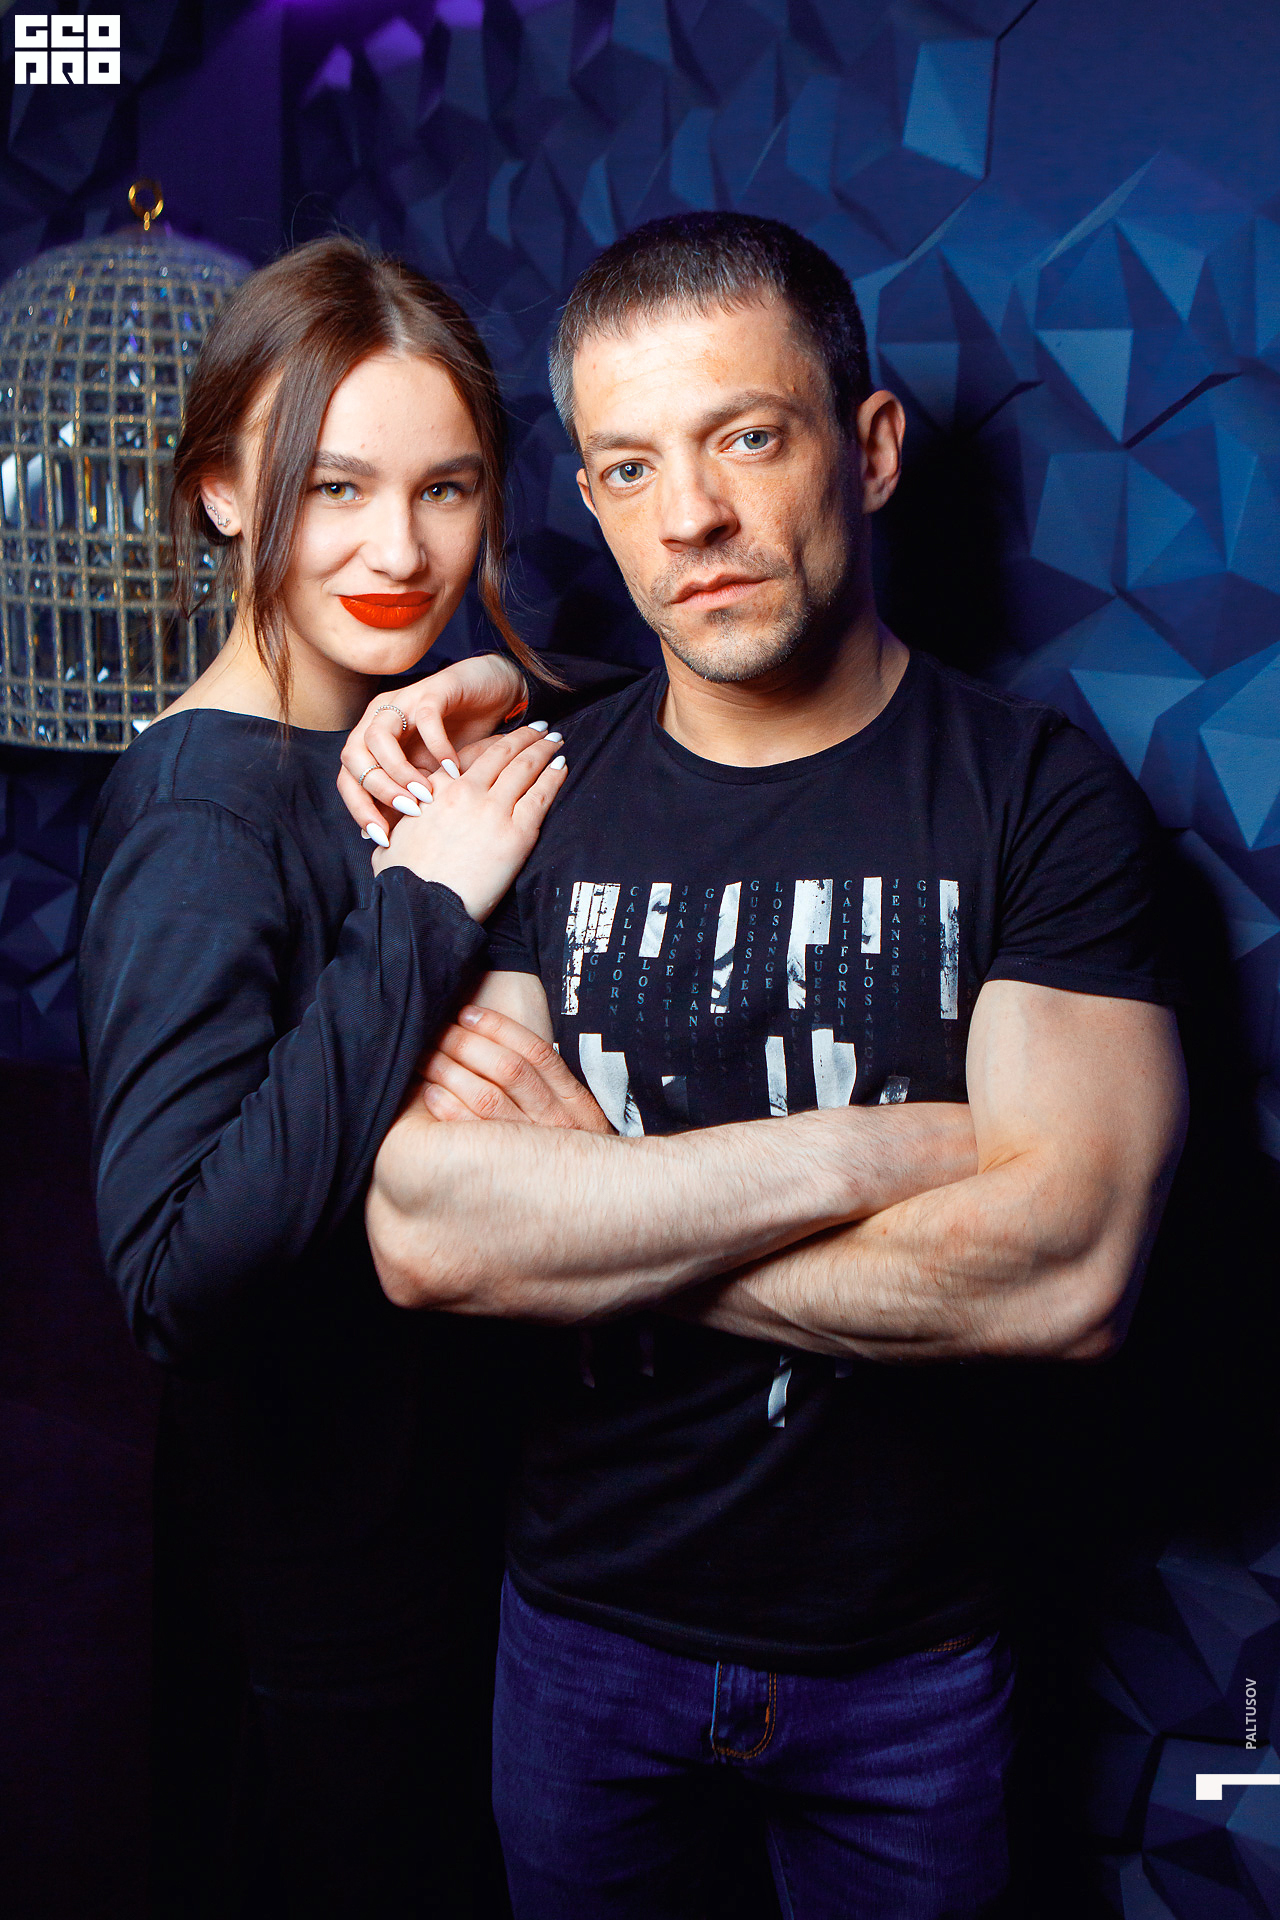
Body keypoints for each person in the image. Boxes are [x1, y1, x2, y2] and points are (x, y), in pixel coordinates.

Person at [353, 213, 1188, 1920]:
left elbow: (1068, 1270)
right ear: (593, 499)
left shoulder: (1041, 799)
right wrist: (881, 1152)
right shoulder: (528, 795)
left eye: (745, 437)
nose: (690, 519)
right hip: (582, 1642)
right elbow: (433, 1236)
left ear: (868, 451)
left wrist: (596, 1218)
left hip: (910, 1670)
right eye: (628, 466)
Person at [76, 235, 572, 1917]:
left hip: (482, 1529)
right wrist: (423, 909)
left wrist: (493, 685)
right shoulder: (200, 810)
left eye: (448, 489)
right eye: (336, 486)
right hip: (324, 1586)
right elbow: (178, 1275)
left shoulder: (416, 734)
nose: (400, 549)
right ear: (224, 492)